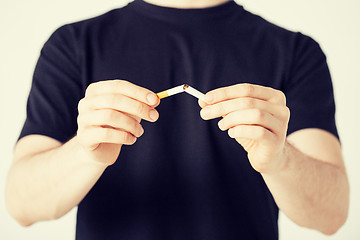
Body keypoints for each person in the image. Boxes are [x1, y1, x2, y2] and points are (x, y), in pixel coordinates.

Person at [5, 0, 349, 239]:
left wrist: (280, 159)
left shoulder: (295, 52)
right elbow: (21, 205)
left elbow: (331, 215)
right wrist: (84, 153)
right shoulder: (73, 45)